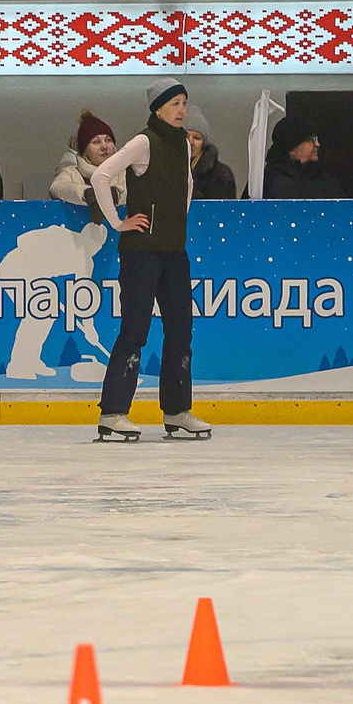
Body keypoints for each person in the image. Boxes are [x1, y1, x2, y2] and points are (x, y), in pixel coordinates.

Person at [89, 78, 211, 443]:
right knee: (135, 329)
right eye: (174, 104)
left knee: (181, 329)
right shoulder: (144, 141)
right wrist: (118, 222)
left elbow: (186, 187)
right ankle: (113, 413)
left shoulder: (182, 144)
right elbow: (101, 175)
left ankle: (177, 410)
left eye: (184, 103)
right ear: (158, 108)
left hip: (174, 251)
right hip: (140, 253)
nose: (182, 110)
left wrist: (175, 226)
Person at [259, 115, 342, 199]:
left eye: (316, 139)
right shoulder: (268, 182)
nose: (317, 144)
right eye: (311, 140)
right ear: (292, 148)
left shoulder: (325, 181)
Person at [50, 112, 115, 215]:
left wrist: (116, 193)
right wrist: (87, 193)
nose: (104, 146)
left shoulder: (126, 173)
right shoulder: (71, 173)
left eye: (108, 140)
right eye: (96, 142)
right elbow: (56, 188)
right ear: (85, 150)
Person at [184, 106, 236, 200]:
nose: (190, 142)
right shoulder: (171, 169)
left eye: (196, 138)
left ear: (204, 143)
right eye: (186, 136)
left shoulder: (221, 174)